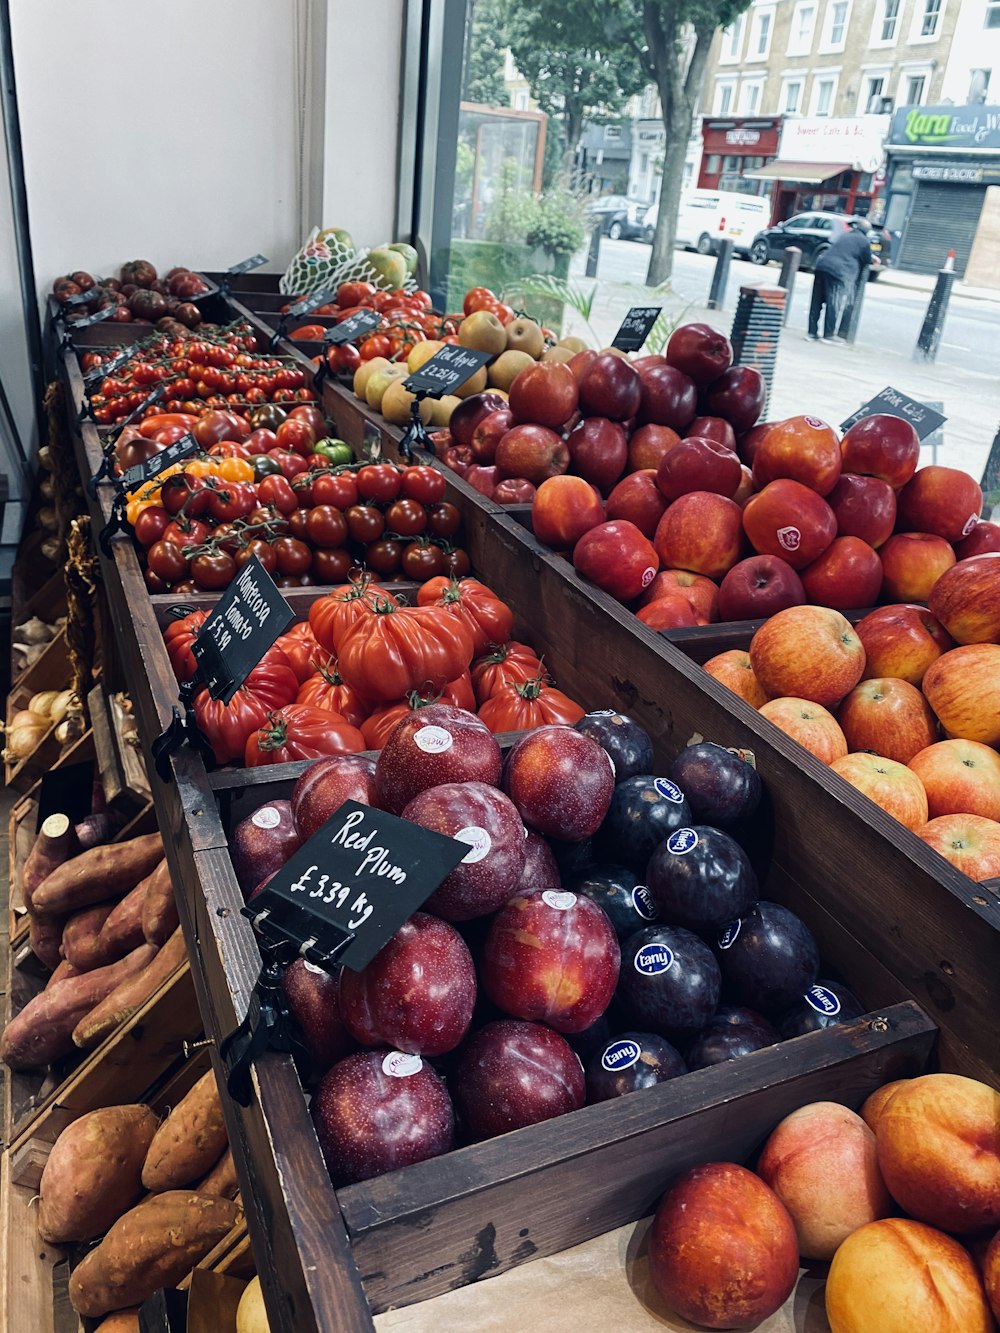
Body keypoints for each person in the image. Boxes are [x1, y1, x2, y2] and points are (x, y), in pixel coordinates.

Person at [808, 218, 872, 342]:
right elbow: (867, 259)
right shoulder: (864, 241)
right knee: (833, 303)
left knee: (816, 302)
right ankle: (828, 334)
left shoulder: (845, 236)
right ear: (867, 231)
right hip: (839, 272)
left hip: (822, 267)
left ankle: (812, 332)